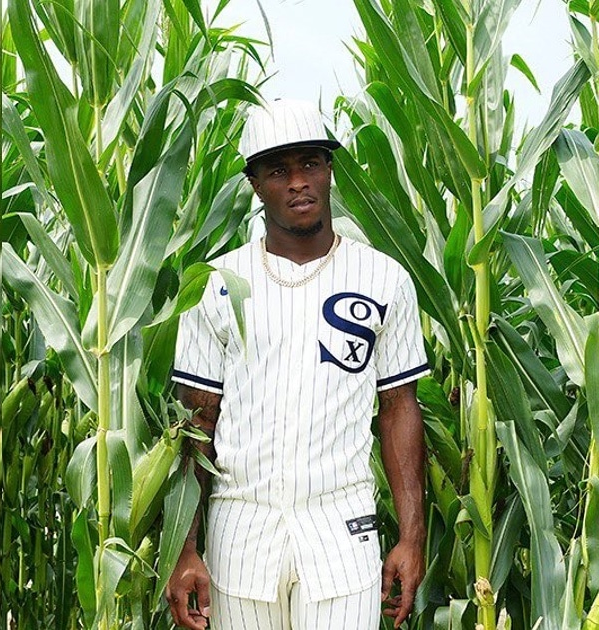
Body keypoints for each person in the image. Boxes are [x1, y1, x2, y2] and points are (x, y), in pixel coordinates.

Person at [165, 99, 427, 630]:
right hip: (241, 530)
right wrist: (183, 547)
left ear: (330, 170)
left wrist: (411, 537)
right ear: (256, 184)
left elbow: (399, 409)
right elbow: (197, 422)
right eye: (278, 170)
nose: (297, 182)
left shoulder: (384, 279)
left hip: (341, 528)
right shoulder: (214, 284)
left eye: (310, 163)